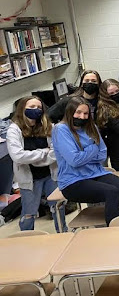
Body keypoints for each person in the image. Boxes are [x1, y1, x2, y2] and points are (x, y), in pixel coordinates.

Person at [52, 97, 119, 225]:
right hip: (73, 180)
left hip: (97, 174)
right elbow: (75, 160)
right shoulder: (61, 129)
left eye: (85, 113)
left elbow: (102, 155)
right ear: (70, 112)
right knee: (111, 192)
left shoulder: (91, 127)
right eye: (78, 112)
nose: (82, 117)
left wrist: (84, 154)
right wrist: (93, 147)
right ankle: (115, 231)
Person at [7, 96, 67, 232]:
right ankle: (27, 238)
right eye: (31, 107)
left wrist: (34, 159)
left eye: (39, 107)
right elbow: (18, 156)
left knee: (58, 206)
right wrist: (43, 153)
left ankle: (63, 232)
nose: (36, 110)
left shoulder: (49, 126)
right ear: (22, 109)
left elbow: (56, 152)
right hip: (29, 178)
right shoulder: (14, 129)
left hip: (50, 175)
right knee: (29, 213)